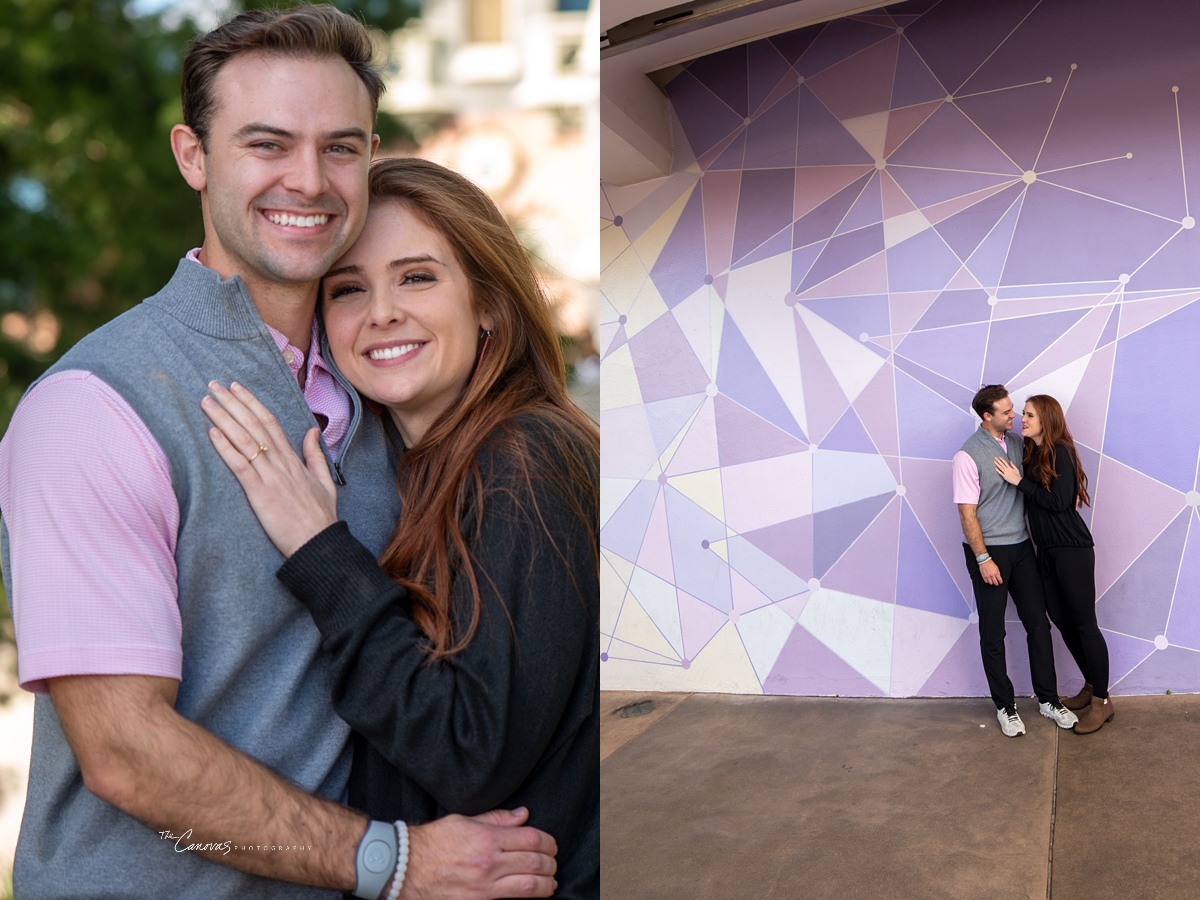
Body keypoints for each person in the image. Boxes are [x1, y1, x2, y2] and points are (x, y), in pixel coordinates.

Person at [0, 7, 557, 899]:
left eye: (341, 147)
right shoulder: (94, 408)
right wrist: (391, 860)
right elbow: (126, 757)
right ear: (193, 156)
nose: (310, 179)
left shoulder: (382, 389)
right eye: (268, 143)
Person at [202, 157, 600, 898]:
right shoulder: (420, 472)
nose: (381, 312)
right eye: (349, 288)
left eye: (417, 277)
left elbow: (470, 750)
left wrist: (321, 554)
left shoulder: (524, 459)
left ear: (488, 304)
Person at [952, 385, 1078, 737]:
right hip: (989, 552)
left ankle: (1048, 699)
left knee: (1039, 624)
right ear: (986, 416)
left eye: (1016, 411)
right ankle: (1005, 707)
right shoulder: (967, 456)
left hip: (1022, 548)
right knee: (993, 632)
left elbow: (1044, 479)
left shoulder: (1018, 443)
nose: (1015, 416)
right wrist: (983, 558)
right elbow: (967, 514)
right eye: (1007, 412)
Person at [994, 394, 1113, 735]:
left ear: (1046, 419)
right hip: (1045, 551)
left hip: (1072, 549)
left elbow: (1060, 502)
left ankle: (1102, 702)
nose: (1022, 419)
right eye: (1023, 414)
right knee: (1060, 620)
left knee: (1084, 624)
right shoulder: (1033, 453)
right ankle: (1091, 685)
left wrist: (1020, 483)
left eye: (1029, 415)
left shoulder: (1060, 450)